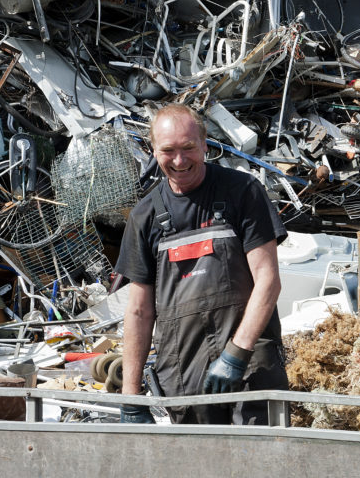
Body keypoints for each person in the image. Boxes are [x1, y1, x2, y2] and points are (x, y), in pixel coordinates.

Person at [115, 104, 288, 424]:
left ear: (205, 143)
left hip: (251, 368)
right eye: (168, 151)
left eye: (188, 148)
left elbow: (268, 281)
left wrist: (237, 352)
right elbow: (139, 311)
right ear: (153, 150)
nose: (179, 161)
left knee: (261, 467)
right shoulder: (145, 216)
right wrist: (130, 395)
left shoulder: (243, 192)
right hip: (184, 378)